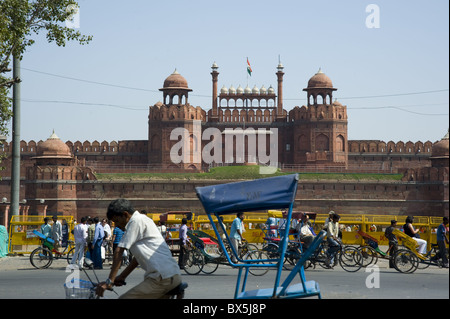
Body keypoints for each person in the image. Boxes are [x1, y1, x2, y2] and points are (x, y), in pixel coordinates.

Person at [96, 199, 181, 299]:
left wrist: (109, 281)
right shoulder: (144, 219)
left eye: (117, 221)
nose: (117, 226)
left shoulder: (135, 221)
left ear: (125, 214)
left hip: (161, 278)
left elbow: (119, 251)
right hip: (171, 275)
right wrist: (122, 276)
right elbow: (137, 259)